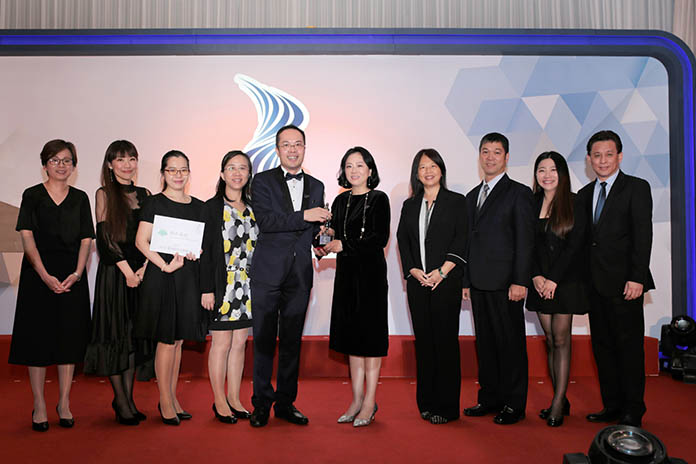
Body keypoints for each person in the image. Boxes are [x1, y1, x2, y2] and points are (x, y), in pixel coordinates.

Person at [9, 139, 94, 431]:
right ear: (45, 165)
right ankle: (39, 404)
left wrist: (78, 273)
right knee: (37, 341)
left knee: (68, 340)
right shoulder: (32, 195)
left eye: (67, 160)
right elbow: (27, 237)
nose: (61, 165)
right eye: (55, 160)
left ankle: (64, 402)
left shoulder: (80, 198)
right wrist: (44, 275)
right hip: (37, 276)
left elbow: (86, 239)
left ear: (74, 166)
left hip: (72, 276)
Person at [248, 124, 329, 427]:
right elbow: (267, 222)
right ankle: (260, 404)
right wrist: (305, 216)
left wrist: (322, 240)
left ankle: (285, 403)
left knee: (292, 342)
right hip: (267, 274)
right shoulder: (262, 181)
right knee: (264, 341)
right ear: (277, 149)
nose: (292, 150)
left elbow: (314, 229)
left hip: (300, 275)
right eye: (286, 144)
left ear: (304, 148)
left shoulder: (317, 185)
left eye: (298, 144)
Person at [577, 130, 654, 428]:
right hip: (594, 285)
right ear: (589, 159)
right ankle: (612, 405)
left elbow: (642, 236)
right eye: (597, 155)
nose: (603, 160)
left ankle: (633, 409)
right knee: (603, 349)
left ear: (619, 156)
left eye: (609, 154)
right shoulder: (585, 194)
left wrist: (637, 278)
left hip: (625, 285)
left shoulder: (636, 188)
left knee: (629, 350)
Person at [462, 132, 534, 425]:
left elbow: (525, 241)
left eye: (496, 152)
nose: (490, 157)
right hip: (478, 283)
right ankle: (489, 398)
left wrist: (520, 280)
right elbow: (467, 243)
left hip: (507, 285)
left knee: (510, 345)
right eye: (485, 151)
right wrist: (465, 281)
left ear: (506, 157)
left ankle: (514, 404)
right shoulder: (471, 197)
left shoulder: (519, 193)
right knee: (486, 345)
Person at [316, 147, 390, 428]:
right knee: (352, 339)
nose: (354, 170)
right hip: (346, 276)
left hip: (371, 278)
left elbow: (379, 238)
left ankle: (370, 401)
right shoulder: (340, 200)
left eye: (360, 165)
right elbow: (335, 233)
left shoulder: (380, 199)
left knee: (370, 340)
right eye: (349, 165)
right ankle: (356, 400)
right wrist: (324, 241)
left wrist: (342, 244)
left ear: (370, 170)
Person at [134, 150, 207, 426]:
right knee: (165, 340)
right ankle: (164, 400)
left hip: (187, 278)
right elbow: (141, 241)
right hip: (163, 276)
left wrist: (197, 251)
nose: (178, 175)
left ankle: (173, 397)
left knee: (178, 341)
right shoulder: (153, 203)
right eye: (172, 170)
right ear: (163, 173)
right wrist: (164, 266)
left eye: (183, 170)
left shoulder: (199, 207)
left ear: (189, 173)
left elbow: (199, 243)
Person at [396, 149, 467, 425]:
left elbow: (461, 240)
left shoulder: (456, 202)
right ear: (416, 173)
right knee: (424, 344)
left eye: (433, 165)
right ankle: (426, 403)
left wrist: (441, 272)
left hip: (445, 284)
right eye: (422, 167)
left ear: (441, 169)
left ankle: (447, 407)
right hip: (418, 284)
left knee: (445, 343)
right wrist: (413, 270)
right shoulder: (410, 205)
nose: (428, 171)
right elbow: (403, 240)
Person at [84, 140, 150, 426]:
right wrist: (127, 272)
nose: (127, 164)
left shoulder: (146, 195)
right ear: (110, 164)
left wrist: (144, 269)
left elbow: (152, 237)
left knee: (133, 337)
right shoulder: (104, 194)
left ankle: (129, 399)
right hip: (115, 274)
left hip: (142, 274)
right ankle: (121, 401)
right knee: (115, 335)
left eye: (131, 158)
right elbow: (105, 239)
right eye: (120, 159)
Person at [525, 151, 589, 427]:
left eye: (552, 169)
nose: (547, 175)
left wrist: (553, 279)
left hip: (566, 282)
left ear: (562, 173)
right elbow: (526, 245)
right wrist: (536, 276)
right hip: (540, 283)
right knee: (550, 340)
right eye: (541, 170)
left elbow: (576, 247)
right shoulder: (530, 203)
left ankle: (557, 403)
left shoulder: (575, 203)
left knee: (561, 340)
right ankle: (560, 398)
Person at [201, 151, 257, 424]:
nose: (237, 173)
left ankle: (234, 398)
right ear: (222, 173)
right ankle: (219, 401)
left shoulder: (254, 208)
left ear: (249, 174)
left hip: (248, 287)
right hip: (222, 285)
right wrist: (206, 289)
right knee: (221, 344)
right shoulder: (210, 208)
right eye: (231, 168)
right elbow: (204, 253)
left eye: (242, 168)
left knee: (240, 344)